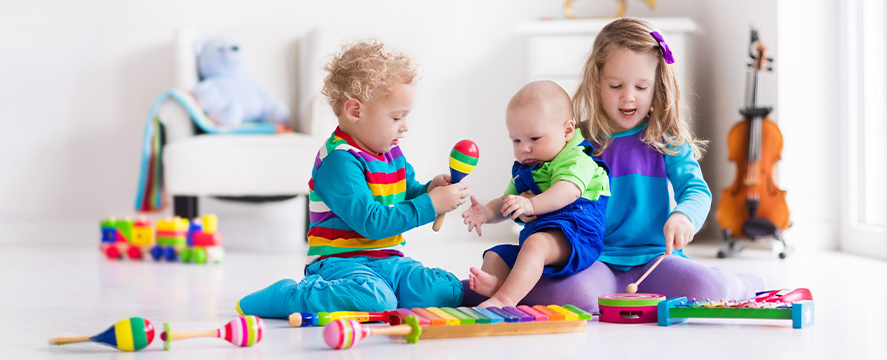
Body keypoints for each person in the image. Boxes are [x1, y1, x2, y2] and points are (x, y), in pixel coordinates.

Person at [461, 18, 764, 312]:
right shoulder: (574, 141)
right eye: (616, 85)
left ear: (657, 86)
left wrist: (684, 217)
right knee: (574, 297)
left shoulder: (665, 140)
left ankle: (743, 284)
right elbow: (542, 189)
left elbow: (696, 189)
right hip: (594, 260)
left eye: (642, 87)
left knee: (707, 289)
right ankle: (485, 288)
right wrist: (525, 204)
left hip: (655, 259)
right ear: (596, 82)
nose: (628, 97)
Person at [237, 39, 470, 318]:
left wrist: (431, 190)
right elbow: (371, 222)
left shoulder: (391, 152)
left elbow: (408, 194)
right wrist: (431, 205)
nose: (405, 127)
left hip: (389, 260)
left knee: (446, 292)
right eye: (397, 117)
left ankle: (404, 292)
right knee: (376, 300)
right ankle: (290, 296)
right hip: (340, 264)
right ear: (355, 111)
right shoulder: (339, 161)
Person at [461, 80, 611, 308]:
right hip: (541, 236)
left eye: (534, 138)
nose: (524, 148)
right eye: (516, 140)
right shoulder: (527, 169)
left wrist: (530, 206)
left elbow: (567, 192)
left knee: (535, 245)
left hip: (577, 235)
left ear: (567, 131)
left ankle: (504, 299)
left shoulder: (576, 159)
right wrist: (486, 213)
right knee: (495, 254)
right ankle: (497, 285)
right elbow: (507, 202)